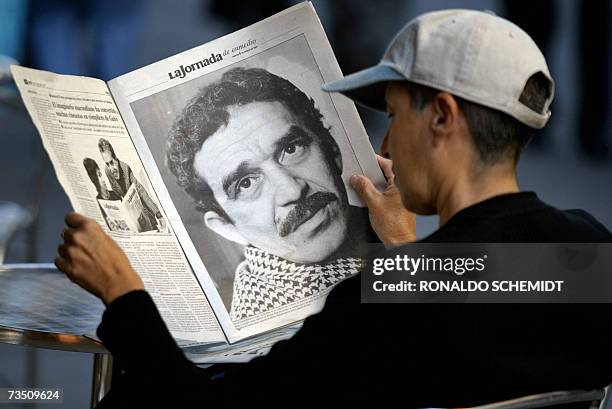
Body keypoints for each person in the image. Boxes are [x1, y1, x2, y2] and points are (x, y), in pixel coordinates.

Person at [55, 9, 611, 409]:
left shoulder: (382, 308)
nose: (385, 147)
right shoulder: (590, 255)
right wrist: (409, 256)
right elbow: (487, 304)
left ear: (442, 116)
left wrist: (124, 294)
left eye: (394, 115)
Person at [166, 67, 374, 320]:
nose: (292, 190)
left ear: (331, 150)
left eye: (291, 148)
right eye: (245, 184)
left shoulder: (402, 223)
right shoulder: (257, 322)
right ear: (226, 227)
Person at [97, 138, 166, 233]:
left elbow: (141, 191)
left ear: (115, 159)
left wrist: (158, 214)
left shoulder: (125, 167)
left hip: (142, 212)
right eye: (107, 164)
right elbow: (116, 193)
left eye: (112, 163)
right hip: (129, 218)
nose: (111, 168)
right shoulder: (107, 171)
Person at [83, 157, 122, 230]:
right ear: (95, 180)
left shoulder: (115, 194)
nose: (103, 179)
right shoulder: (97, 202)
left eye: (101, 174)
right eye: (99, 175)